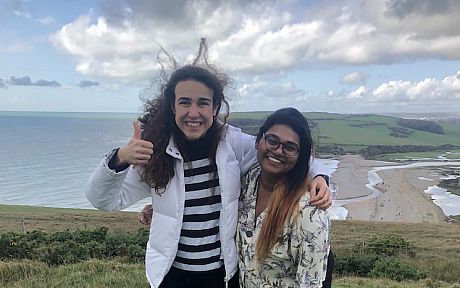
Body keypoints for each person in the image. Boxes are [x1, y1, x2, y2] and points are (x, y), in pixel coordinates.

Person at [86, 39, 331, 288]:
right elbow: (104, 201)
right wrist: (119, 159)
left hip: (222, 276)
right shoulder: (154, 152)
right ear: (172, 106)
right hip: (172, 275)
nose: (194, 113)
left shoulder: (231, 142)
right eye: (185, 102)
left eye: (203, 103)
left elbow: (281, 154)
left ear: (215, 107)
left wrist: (321, 177)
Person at [237, 107, 330, 287]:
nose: (278, 151)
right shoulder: (247, 182)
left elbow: (310, 283)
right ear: (258, 142)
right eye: (272, 141)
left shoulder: (309, 211)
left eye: (289, 147)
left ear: (299, 157)